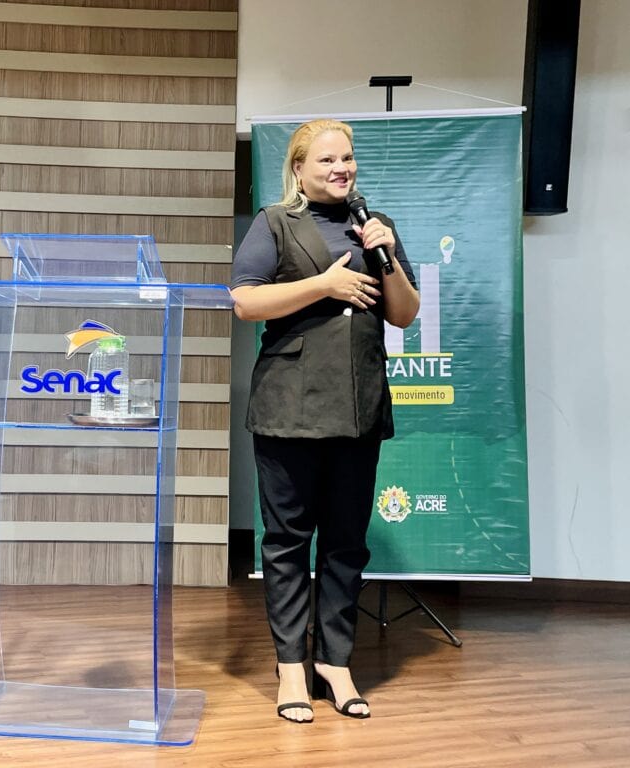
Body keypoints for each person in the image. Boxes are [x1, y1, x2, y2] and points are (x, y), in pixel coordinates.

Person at [231, 119, 420, 723]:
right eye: (327, 160)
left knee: (345, 543)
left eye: (348, 158)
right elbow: (244, 301)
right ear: (299, 168)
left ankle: (335, 662)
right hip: (288, 410)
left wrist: (387, 259)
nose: (342, 168)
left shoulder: (374, 226)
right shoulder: (275, 222)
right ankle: (291, 665)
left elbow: (404, 315)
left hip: (358, 410)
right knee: (287, 542)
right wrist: (325, 284)